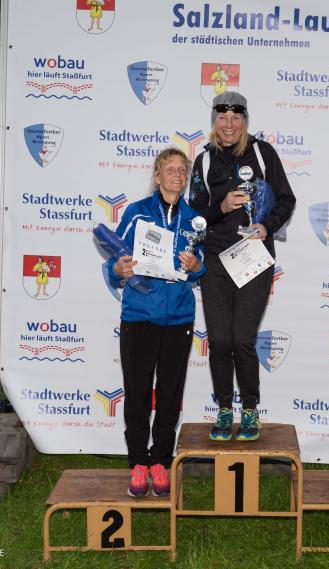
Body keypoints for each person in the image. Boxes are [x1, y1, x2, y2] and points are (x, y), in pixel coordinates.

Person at [189, 92, 296, 442]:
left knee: (242, 339)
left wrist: (268, 225)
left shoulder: (264, 154)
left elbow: (286, 198)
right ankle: (224, 409)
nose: (229, 124)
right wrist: (220, 207)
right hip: (216, 261)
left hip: (254, 258)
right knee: (220, 340)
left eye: (236, 117)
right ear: (214, 120)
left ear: (245, 120)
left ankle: (250, 410)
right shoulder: (204, 161)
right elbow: (194, 216)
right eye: (222, 117)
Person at [106, 148, 205, 497]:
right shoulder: (137, 212)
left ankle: (161, 461)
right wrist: (118, 270)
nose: (177, 174)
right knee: (136, 393)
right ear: (157, 175)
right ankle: (138, 463)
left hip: (179, 318)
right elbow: (116, 259)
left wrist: (197, 267)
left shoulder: (195, 219)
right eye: (170, 168)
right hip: (139, 316)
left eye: (182, 169)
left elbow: (200, 266)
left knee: (169, 395)